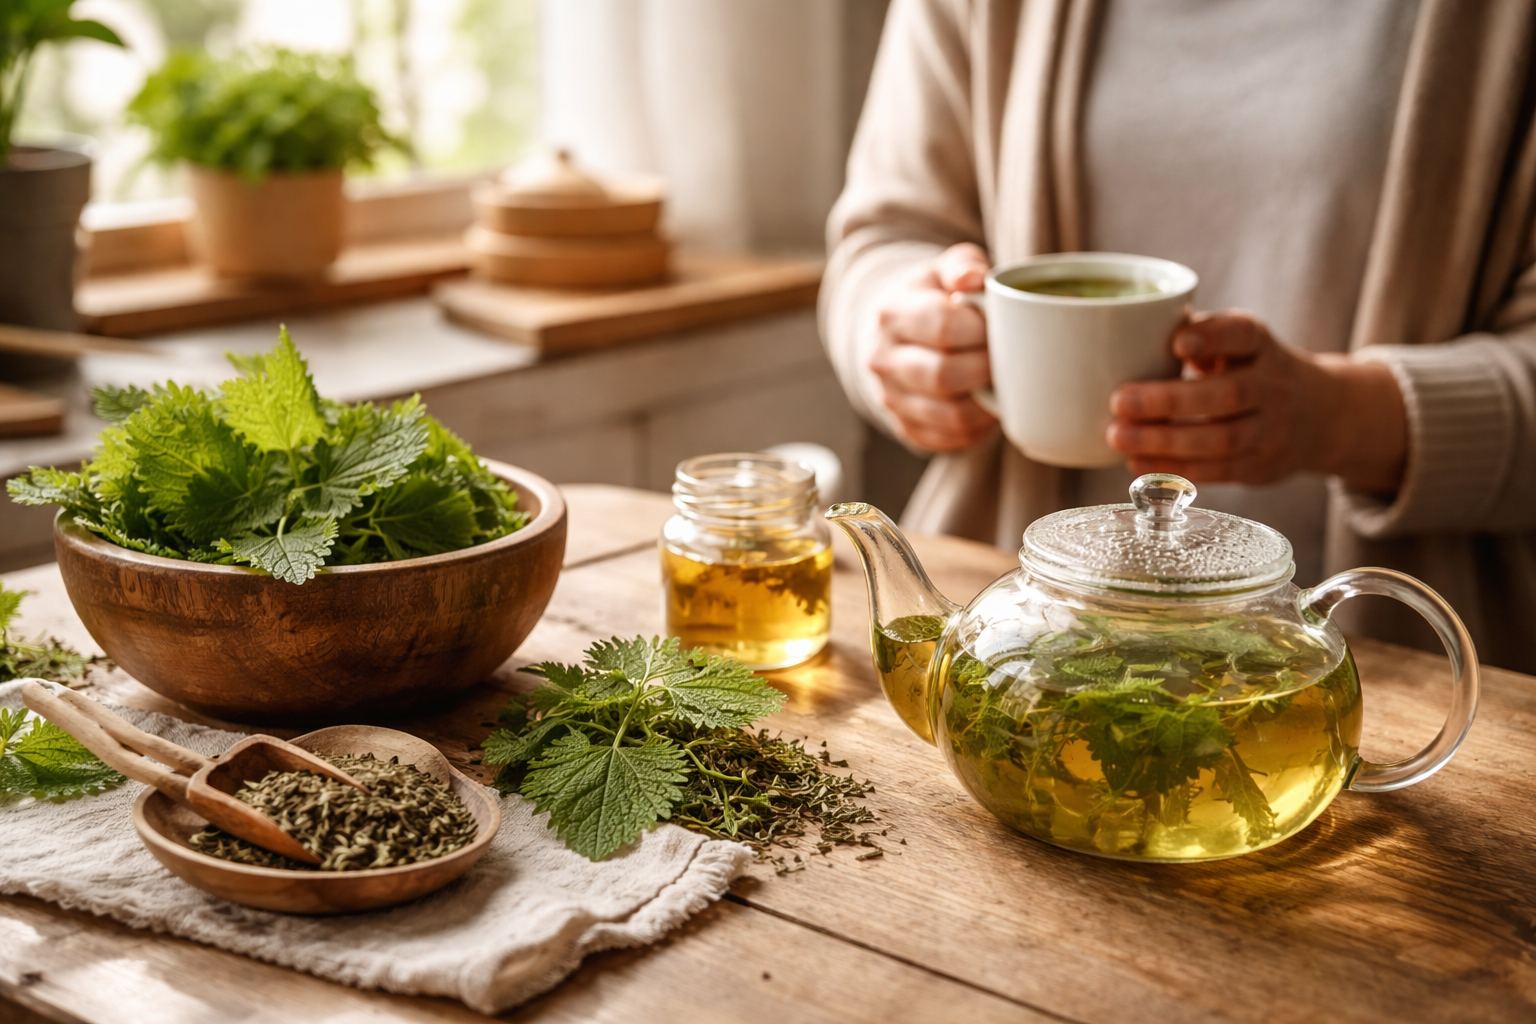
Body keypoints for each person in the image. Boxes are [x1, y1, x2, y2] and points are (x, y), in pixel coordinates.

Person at [821, 0, 1536, 672]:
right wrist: (908, 336)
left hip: (1391, 658)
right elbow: (885, 240)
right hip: (1013, 645)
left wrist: (1340, 418)